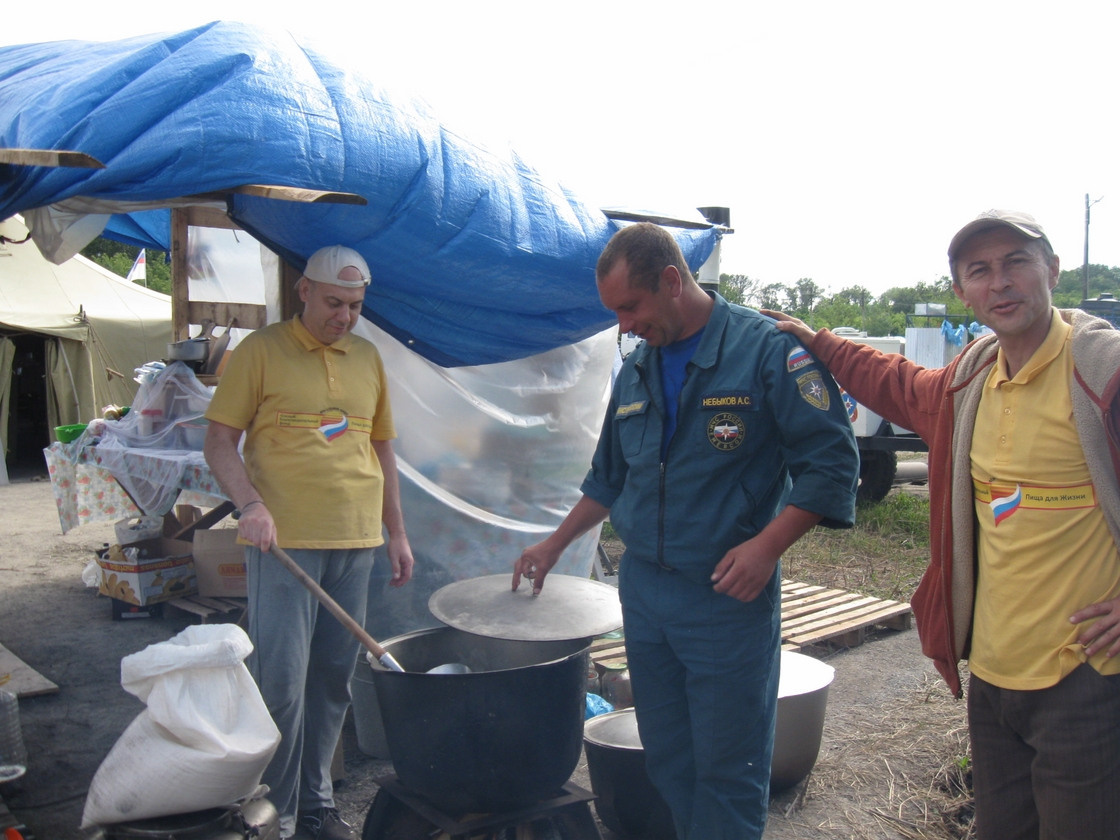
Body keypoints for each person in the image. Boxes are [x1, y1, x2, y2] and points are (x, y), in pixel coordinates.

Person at [765, 209, 1120, 840]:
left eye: (1016, 262)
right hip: (990, 674)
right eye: (979, 271)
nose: (1000, 282)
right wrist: (818, 342)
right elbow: (897, 384)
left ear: (1054, 271)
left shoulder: (1102, 373)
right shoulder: (973, 378)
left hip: (1085, 678)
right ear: (962, 292)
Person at [511, 222, 859, 840]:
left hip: (726, 597)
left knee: (728, 768)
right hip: (647, 598)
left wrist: (767, 547)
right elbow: (607, 478)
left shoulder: (767, 352)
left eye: (630, 306)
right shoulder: (637, 370)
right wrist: (552, 544)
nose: (622, 325)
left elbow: (831, 463)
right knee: (669, 758)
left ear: (672, 282)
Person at [203, 245, 414, 840]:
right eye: (333, 303)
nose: (343, 316)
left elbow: (381, 450)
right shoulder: (260, 353)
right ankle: (278, 816)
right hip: (283, 546)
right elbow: (219, 443)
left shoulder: (368, 358)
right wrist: (250, 505)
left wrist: (396, 533)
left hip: (356, 540)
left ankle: (317, 804)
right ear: (304, 291)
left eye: (354, 306)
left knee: (331, 683)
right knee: (282, 686)